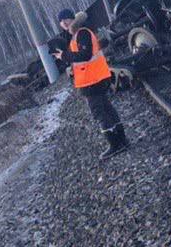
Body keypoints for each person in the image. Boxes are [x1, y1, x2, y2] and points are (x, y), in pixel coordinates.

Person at [53, 8, 130, 159]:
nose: (63, 23)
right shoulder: (77, 34)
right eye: (61, 22)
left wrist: (64, 55)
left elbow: (85, 55)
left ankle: (114, 145)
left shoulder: (81, 33)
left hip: (92, 80)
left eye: (65, 19)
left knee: (99, 113)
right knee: (107, 109)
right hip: (95, 78)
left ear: (72, 18)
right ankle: (122, 141)